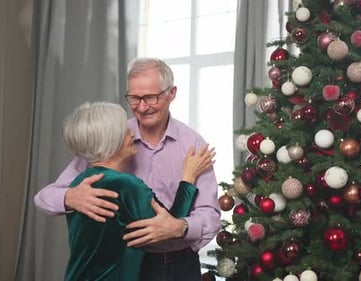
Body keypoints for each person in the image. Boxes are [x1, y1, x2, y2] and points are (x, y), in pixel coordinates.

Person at [34, 57, 222, 281]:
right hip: (128, 266)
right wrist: (69, 196)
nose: (142, 107)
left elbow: (211, 216)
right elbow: (44, 197)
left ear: (171, 93)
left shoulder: (193, 144)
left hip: (179, 266)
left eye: (150, 97)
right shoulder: (111, 138)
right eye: (134, 98)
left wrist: (180, 227)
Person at [60, 102, 214, 280]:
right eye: (125, 132)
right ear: (111, 143)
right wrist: (188, 176)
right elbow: (168, 225)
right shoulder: (127, 185)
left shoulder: (79, 184)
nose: (132, 134)